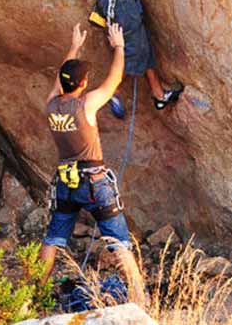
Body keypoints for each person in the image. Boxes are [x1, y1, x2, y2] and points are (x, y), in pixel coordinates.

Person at [39, 23, 143, 301]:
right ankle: (140, 299)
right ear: (83, 84)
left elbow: (58, 82)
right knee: (119, 241)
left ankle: (31, 295)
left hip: (66, 182)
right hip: (94, 183)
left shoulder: (52, 104)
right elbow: (114, 80)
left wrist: (73, 47)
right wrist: (119, 46)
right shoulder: (85, 105)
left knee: (53, 239)